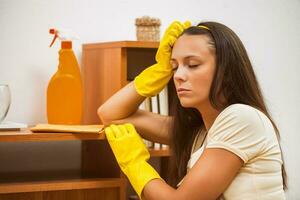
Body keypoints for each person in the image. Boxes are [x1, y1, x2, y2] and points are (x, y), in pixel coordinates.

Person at [98, 21, 287, 200]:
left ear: (226, 71)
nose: (178, 75)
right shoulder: (201, 133)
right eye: (175, 67)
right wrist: (159, 71)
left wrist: (134, 164)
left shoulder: (241, 118)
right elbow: (110, 114)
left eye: (193, 65)